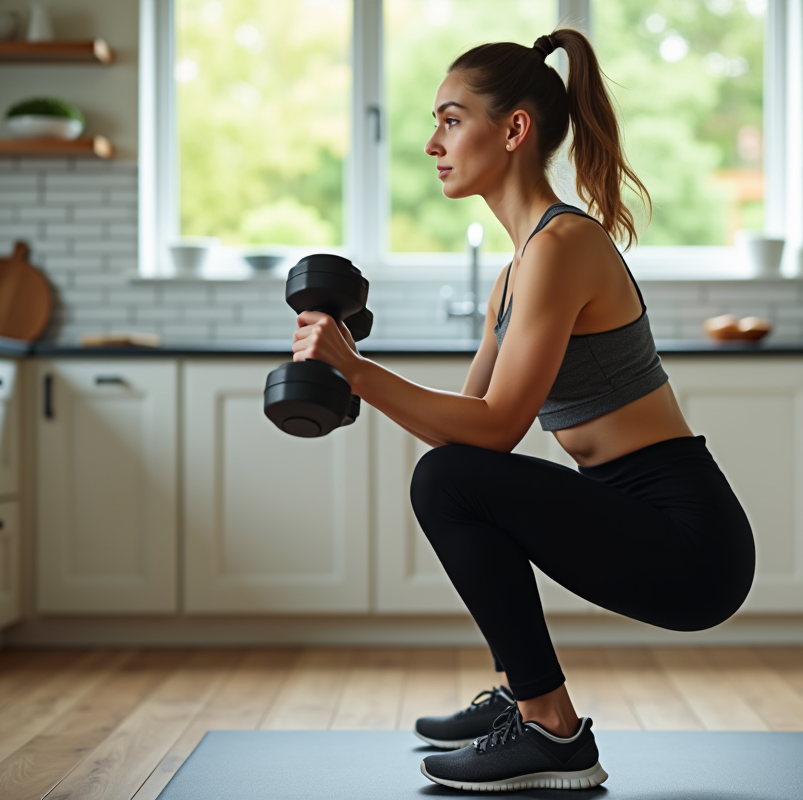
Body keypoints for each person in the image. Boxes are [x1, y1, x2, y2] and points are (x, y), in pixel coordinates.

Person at [291, 27, 756, 793]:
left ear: (513, 129)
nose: (433, 144)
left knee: (444, 481)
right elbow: (471, 426)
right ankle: (521, 692)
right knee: (452, 475)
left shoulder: (563, 245)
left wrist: (360, 373)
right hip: (637, 520)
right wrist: (350, 373)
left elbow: (498, 426)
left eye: (451, 120)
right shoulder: (513, 275)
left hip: (690, 545)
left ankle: (551, 728)